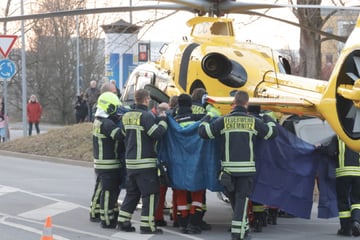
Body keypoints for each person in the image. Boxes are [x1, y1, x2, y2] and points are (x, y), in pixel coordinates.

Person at [198, 90, 277, 240]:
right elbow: (271, 134)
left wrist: (208, 115)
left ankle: (244, 230)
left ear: (234, 103)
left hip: (227, 171)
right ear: (246, 104)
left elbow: (203, 132)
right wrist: (269, 117)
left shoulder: (223, 120)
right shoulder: (253, 121)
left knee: (235, 202)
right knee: (241, 201)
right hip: (246, 171)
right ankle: (237, 234)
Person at [117, 89, 168, 234]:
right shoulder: (146, 116)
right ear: (146, 100)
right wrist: (163, 120)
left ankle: (123, 221)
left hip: (131, 163)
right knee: (150, 194)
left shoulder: (126, 116)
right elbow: (156, 133)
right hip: (145, 163)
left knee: (132, 193)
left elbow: (122, 135)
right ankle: (147, 226)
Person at [173, 93, 208, 234]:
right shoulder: (197, 119)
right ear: (190, 105)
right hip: (195, 162)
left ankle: (183, 222)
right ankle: (194, 223)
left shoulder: (173, 120)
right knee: (197, 193)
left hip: (178, 163)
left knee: (181, 192)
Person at [90, 91, 125, 228]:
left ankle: (97, 213)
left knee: (104, 190)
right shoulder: (107, 124)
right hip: (109, 164)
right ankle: (107, 220)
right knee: (109, 192)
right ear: (110, 108)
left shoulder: (98, 121)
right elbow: (119, 136)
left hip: (101, 162)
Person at [317, 135, 360, 237]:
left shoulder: (339, 136)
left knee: (343, 201)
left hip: (343, 173)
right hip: (358, 173)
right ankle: (356, 222)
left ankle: (345, 229)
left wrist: (320, 147)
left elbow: (330, 151)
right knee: (357, 201)